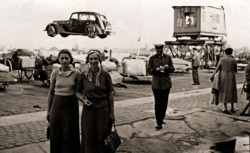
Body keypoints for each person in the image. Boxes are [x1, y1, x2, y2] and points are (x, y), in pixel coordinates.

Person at [76, 49, 115, 153]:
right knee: (89, 135)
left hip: (103, 109)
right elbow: (77, 92)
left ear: (100, 60)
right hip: (89, 110)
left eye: (95, 58)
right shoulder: (83, 75)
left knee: (102, 135)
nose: (93, 61)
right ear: (88, 60)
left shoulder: (106, 75)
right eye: (91, 59)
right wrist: (83, 99)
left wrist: (111, 113)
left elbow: (110, 94)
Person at [47, 49, 81, 153]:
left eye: (67, 58)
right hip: (57, 105)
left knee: (69, 132)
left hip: (71, 105)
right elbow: (51, 92)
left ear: (70, 59)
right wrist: (49, 110)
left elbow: (78, 92)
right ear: (59, 59)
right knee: (55, 132)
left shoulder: (76, 73)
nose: (64, 61)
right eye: (62, 58)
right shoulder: (55, 73)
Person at [147, 44, 175, 130]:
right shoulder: (152, 58)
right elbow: (148, 70)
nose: (159, 52)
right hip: (156, 84)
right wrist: (156, 70)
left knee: (164, 102)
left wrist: (167, 68)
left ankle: (162, 117)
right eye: (157, 50)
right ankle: (158, 122)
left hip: (166, 84)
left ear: (162, 50)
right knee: (158, 103)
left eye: (160, 50)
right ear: (156, 50)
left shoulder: (168, 58)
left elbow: (172, 69)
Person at [210, 48, 237, 114]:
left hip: (223, 76)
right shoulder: (234, 60)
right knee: (232, 91)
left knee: (224, 91)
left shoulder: (222, 59)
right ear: (231, 52)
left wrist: (213, 75)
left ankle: (225, 107)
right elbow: (235, 69)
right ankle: (232, 107)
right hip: (231, 76)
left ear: (225, 53)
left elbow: (217, 68)